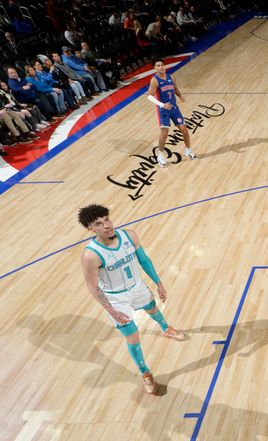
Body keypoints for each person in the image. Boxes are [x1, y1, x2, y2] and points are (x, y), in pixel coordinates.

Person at [79, 204, 188, 394]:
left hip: (137, 286)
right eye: (98, 223)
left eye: (107, 219)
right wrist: (111, 310)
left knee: (153, 308)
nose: (106, 225)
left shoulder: (129, 235)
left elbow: (144, 260)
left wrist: (158, 282)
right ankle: (145, 372)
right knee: (133, 336)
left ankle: (166, 328)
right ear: (91, 229)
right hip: (116, 299)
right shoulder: (91, 255)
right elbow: (93, 287)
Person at [147, 59, 196, 167]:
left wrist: (180, 95)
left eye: (162, 65)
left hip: (174, 108)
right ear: (155, 68)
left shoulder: (171, 77)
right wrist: (162, 105)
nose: (161, 67)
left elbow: (175, 88)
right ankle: (160, 155)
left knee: (184, 130)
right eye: (158, 65)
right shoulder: (154, 80)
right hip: (163, 110)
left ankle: (188, 150)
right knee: (164, 134)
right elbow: (149, 96)